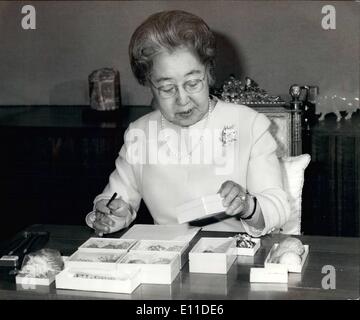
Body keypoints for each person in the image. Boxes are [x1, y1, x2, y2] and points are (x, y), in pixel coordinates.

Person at [89, 10, 290, 237]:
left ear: (209, 73)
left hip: (236, 258)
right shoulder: (140, 133)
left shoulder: (248, 124)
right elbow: (115, 198)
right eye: (166, 88)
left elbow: (278, 208)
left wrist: (247, 205)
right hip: (167, 259)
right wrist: (111, 213)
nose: (182, 100)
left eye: (193, 83)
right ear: (149, 83)